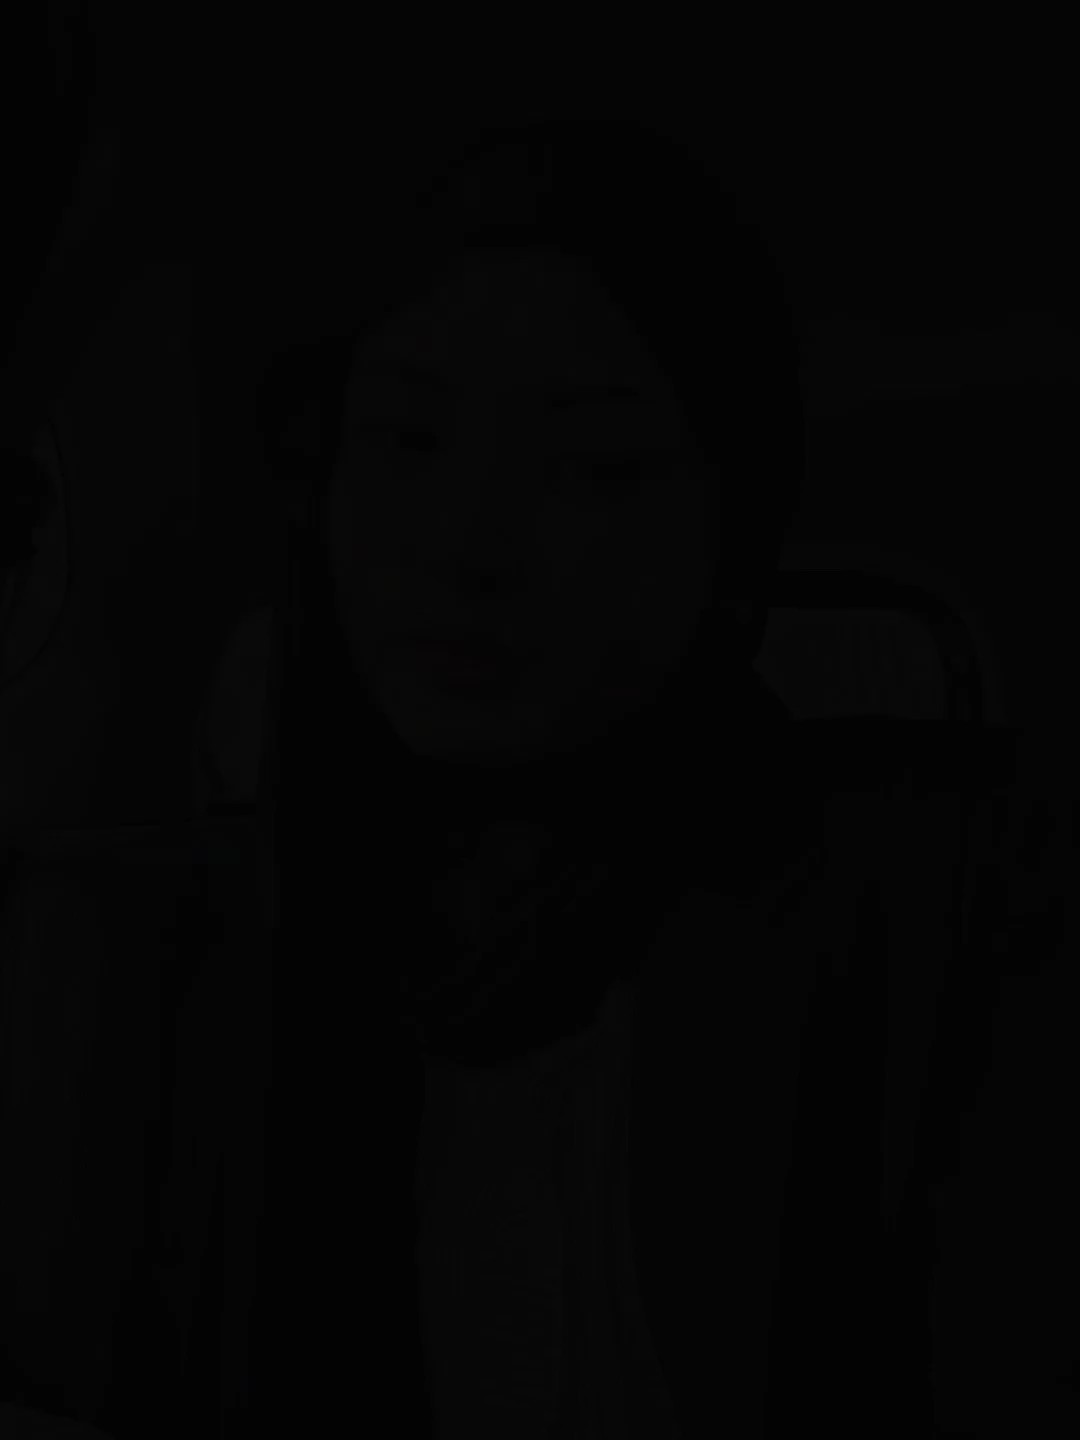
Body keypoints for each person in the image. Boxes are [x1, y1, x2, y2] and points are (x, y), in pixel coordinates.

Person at [234, 108, 879, 1440]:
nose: (469, 544)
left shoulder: (904, 943)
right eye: (407, 440)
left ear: (734, 528)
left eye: (591, 469)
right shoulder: (218, 942)